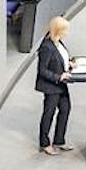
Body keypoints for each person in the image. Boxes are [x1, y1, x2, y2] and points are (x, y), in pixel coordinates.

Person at [35, 15, 73, 153]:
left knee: (65, 109)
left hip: (61, 85)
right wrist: (58, 76)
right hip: (51, 86)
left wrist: (68, 63)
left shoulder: (59, 43)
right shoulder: (47, 46)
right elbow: (42, 70)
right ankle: (44, 143)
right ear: (58, 30)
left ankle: (59, 140)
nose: (67, 33)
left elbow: (61, 58)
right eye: (65, 30)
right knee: (48, 113)